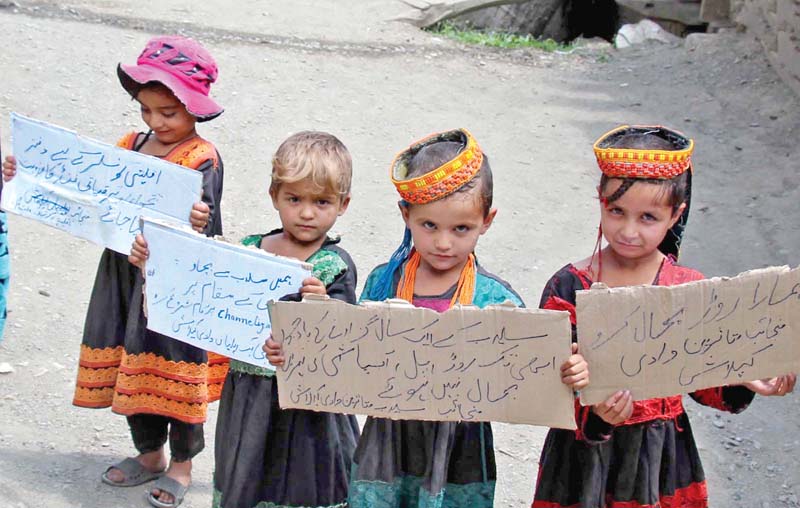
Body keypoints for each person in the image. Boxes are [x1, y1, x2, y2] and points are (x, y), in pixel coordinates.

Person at [3, 34, 225, 508]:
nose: (155, 122)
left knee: (175, 368)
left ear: (195, 108)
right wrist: (24, 175)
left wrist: (198, 222)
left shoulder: (202, 158)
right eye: (146, 109)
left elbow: (209, 235)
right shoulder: (131, 145)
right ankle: (149, 454)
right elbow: (81, 187)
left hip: (171, 288)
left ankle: (183, 465)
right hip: (122, 276)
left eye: (168, 112)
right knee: (130, 360)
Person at [530, 125, 797, 508]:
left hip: (660, 459)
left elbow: (704, 378)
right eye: (616, 211)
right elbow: (546, 384)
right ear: (600, 201)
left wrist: (744, 375)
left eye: (648, 217)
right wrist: (588, 401)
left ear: (676, 215)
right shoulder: (569, 287)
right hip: (582, 456)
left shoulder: (689, 290)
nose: (628, 231)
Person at [334, 128, 586, 508]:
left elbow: (533, 373)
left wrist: (570, 370)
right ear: (406, 215)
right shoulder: (383, 282)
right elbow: (353, 355)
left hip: (459, 447)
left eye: (461, 228)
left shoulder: (495, 300)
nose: (444, 243)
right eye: (429, 225)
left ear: (487, 220)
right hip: (388, 441)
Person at [136, 131, 361, 508]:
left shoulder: (334, 267)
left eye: (321, 201)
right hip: (249, 397)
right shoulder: (248, 253)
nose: (306, 212)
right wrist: (153, 261)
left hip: (307, 412)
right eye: (294, 199)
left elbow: (346, 338)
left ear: (343, 204)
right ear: (274, 196)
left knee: (303, 483)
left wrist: (321, 310)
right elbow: (197, 292)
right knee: (246, 475)